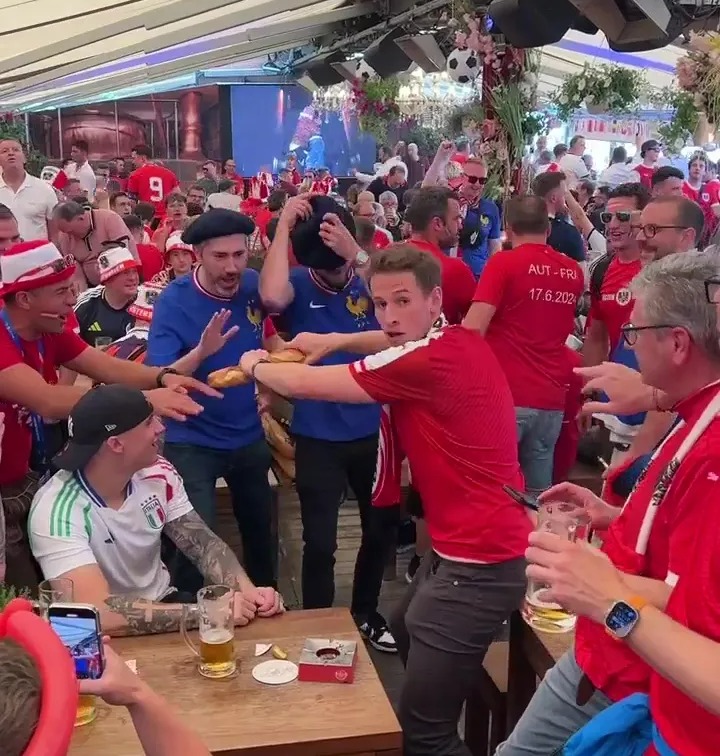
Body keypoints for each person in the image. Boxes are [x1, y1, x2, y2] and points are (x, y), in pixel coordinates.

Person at [241, 244, 531, 756]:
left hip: (481, 559)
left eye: (403, 301)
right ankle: (442, 691)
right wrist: (333, 338)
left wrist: (256, 365)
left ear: (435, 298)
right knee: (404, 624)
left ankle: (438, 714)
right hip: (465, 545)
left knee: (425, 734)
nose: (390, 316)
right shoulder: (453, 338)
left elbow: (307, 384)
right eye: (379, 303)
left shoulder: (427, 360)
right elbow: (392, 340)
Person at [505, 251, 720, 756]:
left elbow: (695, 612)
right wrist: (621, 520)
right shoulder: (696, 411)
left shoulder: (713, 454)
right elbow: (693, 563)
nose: (630, 346)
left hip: (636, 677)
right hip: (617, 662)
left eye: (635, 332)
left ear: (678, 343)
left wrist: (606, 598)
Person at [0, 240, 215, 591]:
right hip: (3, 492)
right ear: (24, 299)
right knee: (19, 600)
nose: (72, 301)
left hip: (23, 476)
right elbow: (48, 401)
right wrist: (146, 399)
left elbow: (107, 367)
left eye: (71, 290)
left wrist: (164, 376)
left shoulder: (48, 328)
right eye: (60, 293)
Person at [29, 385, 283, 636]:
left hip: (166, 603)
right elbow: (95, 613)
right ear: (116, 444)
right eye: (149, 422)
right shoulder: (54, 510)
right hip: (102, 636)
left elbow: (204, 545)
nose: (161, 428)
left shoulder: (157, 471)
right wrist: (207, 613)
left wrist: (248, 592)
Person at [259, 194, 394, 652]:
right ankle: (317, 624)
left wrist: (355, 252)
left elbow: (408, 299)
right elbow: (273, 296)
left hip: (375, 431)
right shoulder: (297, 281)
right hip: (319, 434)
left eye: (346, 267)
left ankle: (366, 613)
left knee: (379, 532)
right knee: (320, 544)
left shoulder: (367, 274)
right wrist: (282, 228)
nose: (343, 276)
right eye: (332, 271)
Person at [146, 209, 282, 594]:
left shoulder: (253, 285)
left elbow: (266, 339)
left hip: (247, 433)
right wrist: (202, 352)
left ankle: (268, 604)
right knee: (193, 544)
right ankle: (185, 618)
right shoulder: (173, 300)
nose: (232, 267)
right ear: (198, 255)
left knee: (260, 532)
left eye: (239, 255)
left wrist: (270, 384)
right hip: (192, 441)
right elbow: (161, 377)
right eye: (220, 257)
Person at [463, 196, 584, 494]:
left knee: (490, 492)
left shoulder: (503, 264)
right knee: (536, 495)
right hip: (551, 400)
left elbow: (472, 330)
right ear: (548, 228)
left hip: (505, 397)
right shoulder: (573, 271)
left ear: (508, 227)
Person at [54, 201, 139, 290]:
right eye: (63, 231)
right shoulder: (64, 236)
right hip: (92, 288)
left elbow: (123, 259)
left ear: (81, 218)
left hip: (124, 280)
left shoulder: (109, 219)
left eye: (70, 231)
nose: (68, 235)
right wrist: (83, 295)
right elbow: (77, 275)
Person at [73, 246, 141, 346]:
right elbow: (68, 346)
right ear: (107, 280)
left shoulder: (145, 301)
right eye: (125, 273)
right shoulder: (86, 304)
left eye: (134, 271)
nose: (133, 278)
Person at [0, 139, 58, 243]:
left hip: (38, 256)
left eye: (16, 150)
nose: (11, 153)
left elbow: (55, 233)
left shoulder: (44, 189)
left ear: (24, 157)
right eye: (4, 151)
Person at [456, 158, 501, 278]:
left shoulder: (491, 208)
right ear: (461, 177)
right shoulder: (449, 204)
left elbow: (495, 246)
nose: (476, 184)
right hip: (450, 275)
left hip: (478, 277)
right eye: (472, 179)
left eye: (482, 180)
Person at [127, 145, 180, 220]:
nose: (133, 162)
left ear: (143, 158)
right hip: (166, 218)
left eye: (134, 158)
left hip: (146, 218)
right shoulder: (170, 174)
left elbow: (132, 203)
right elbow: (178, 196)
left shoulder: (135, 175)